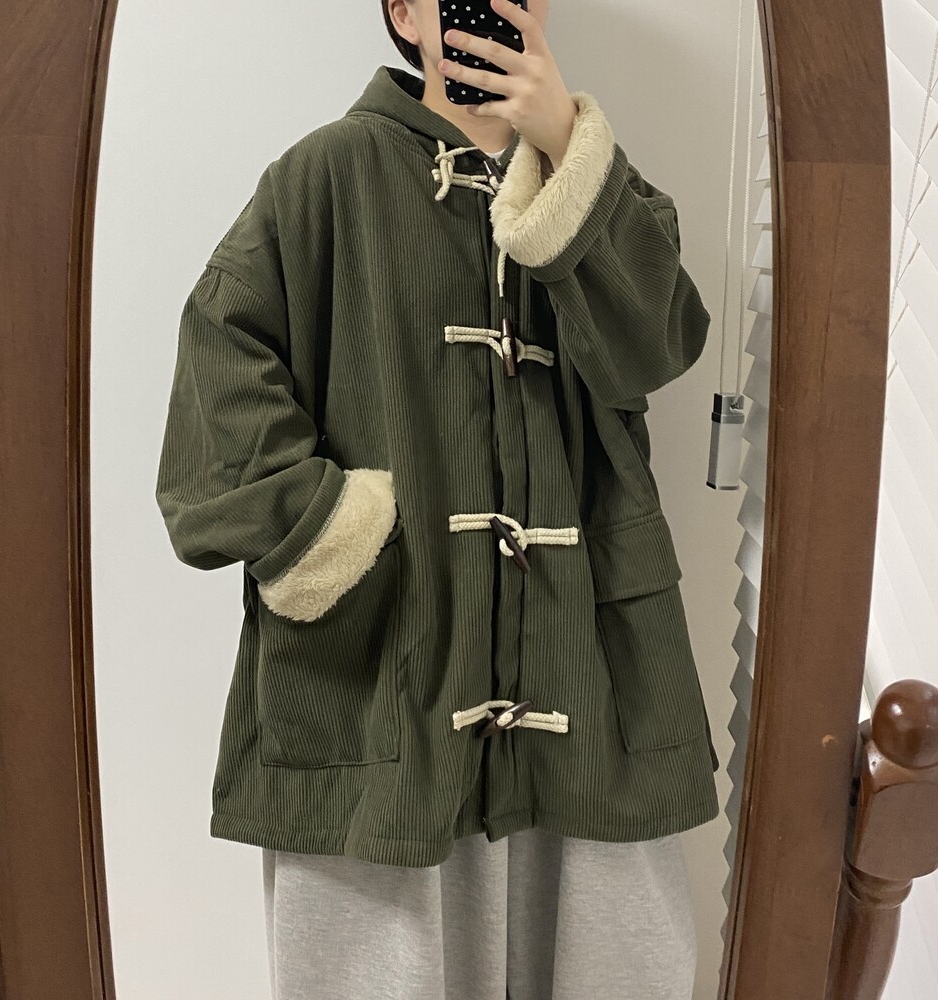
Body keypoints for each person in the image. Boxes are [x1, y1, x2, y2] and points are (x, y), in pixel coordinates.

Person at [155, 0, 720, 996]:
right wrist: (331, 534)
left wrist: (565, 143)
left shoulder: (601, 185)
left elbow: (657, 348)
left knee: (613, 959)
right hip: (383, 660)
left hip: (586, 660)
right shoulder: (321, 177)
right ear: (404, 11)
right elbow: (217, 373)